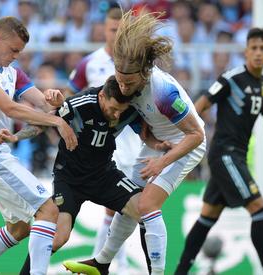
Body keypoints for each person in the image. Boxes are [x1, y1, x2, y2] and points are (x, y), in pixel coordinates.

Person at [65, 11, 206, 275]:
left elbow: (196, 135)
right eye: (119, 79)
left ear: (144, 72)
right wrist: (150, 138)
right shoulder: (124, 84)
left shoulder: (163, 91)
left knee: (147, 205)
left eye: (128, 82)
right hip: (159, 144)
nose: (123, 87)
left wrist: (161, 162)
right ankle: (102, 262)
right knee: (127, 200)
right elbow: (139, 119)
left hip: (185, 145)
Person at [0, 76, 169, 275]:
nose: (116, 115)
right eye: (112, 109)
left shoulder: (129, 109)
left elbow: (145, 135)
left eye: (120, 111)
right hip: (69, 178)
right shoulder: (80, 103)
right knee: (58, 237)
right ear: (102, 96)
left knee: (145, 211)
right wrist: (15, 137)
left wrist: (160, 146)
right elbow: (45, 123)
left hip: (104, 174)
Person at [0, 16, 77, 275]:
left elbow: (43, 104)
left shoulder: (12, 72)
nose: (16, 56)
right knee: (48, 208)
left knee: (20, 227)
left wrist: (55, 99)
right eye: (13, 50)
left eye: (20, 52)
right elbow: (9, 107)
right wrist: (55, 121)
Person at [174, 28, 263, 275]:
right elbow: (203, 102)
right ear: (246, 52)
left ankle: (180, 272)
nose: (258, 53)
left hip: (235, 156)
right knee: (260, 208)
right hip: (224, 153)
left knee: (207, 216)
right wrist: (186, 132)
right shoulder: (232, 78)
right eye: (254, 48)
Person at [66, 6, 140, 272]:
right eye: (111, 30)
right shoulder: (90, 63)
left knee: (127, 210)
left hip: (133, 147)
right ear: (103, 31)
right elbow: (71, 98)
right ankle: (110, 264)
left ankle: (102, 262)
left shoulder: (135, 66)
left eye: (120, 30)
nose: (116, 35)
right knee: (116, 208)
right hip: (103, 148)